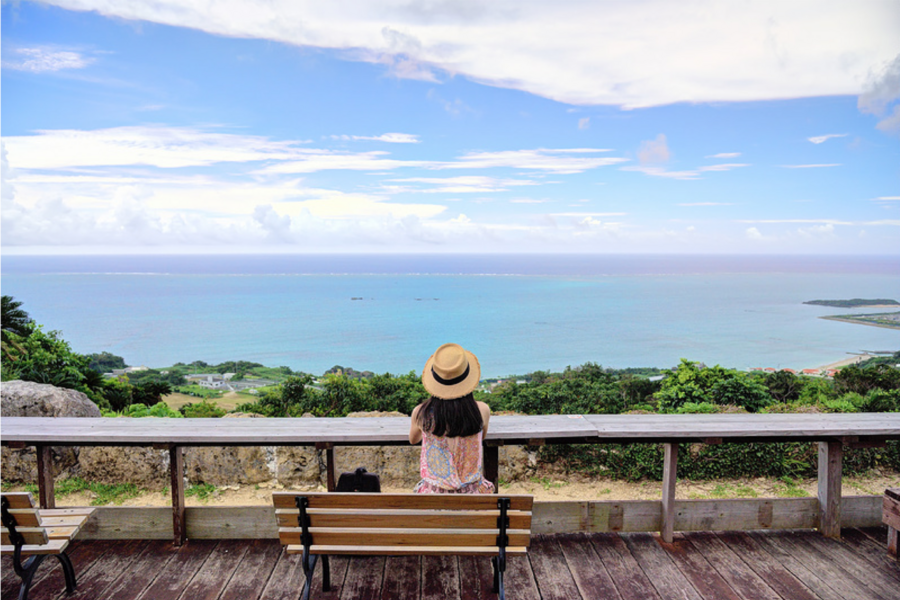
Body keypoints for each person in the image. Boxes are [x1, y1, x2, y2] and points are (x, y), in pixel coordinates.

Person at [409, 343, 494, 494]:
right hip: (472, 498)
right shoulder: (482, 410)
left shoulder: (421, 413)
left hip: (433, 499)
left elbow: (413, 439)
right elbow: (480, 438)